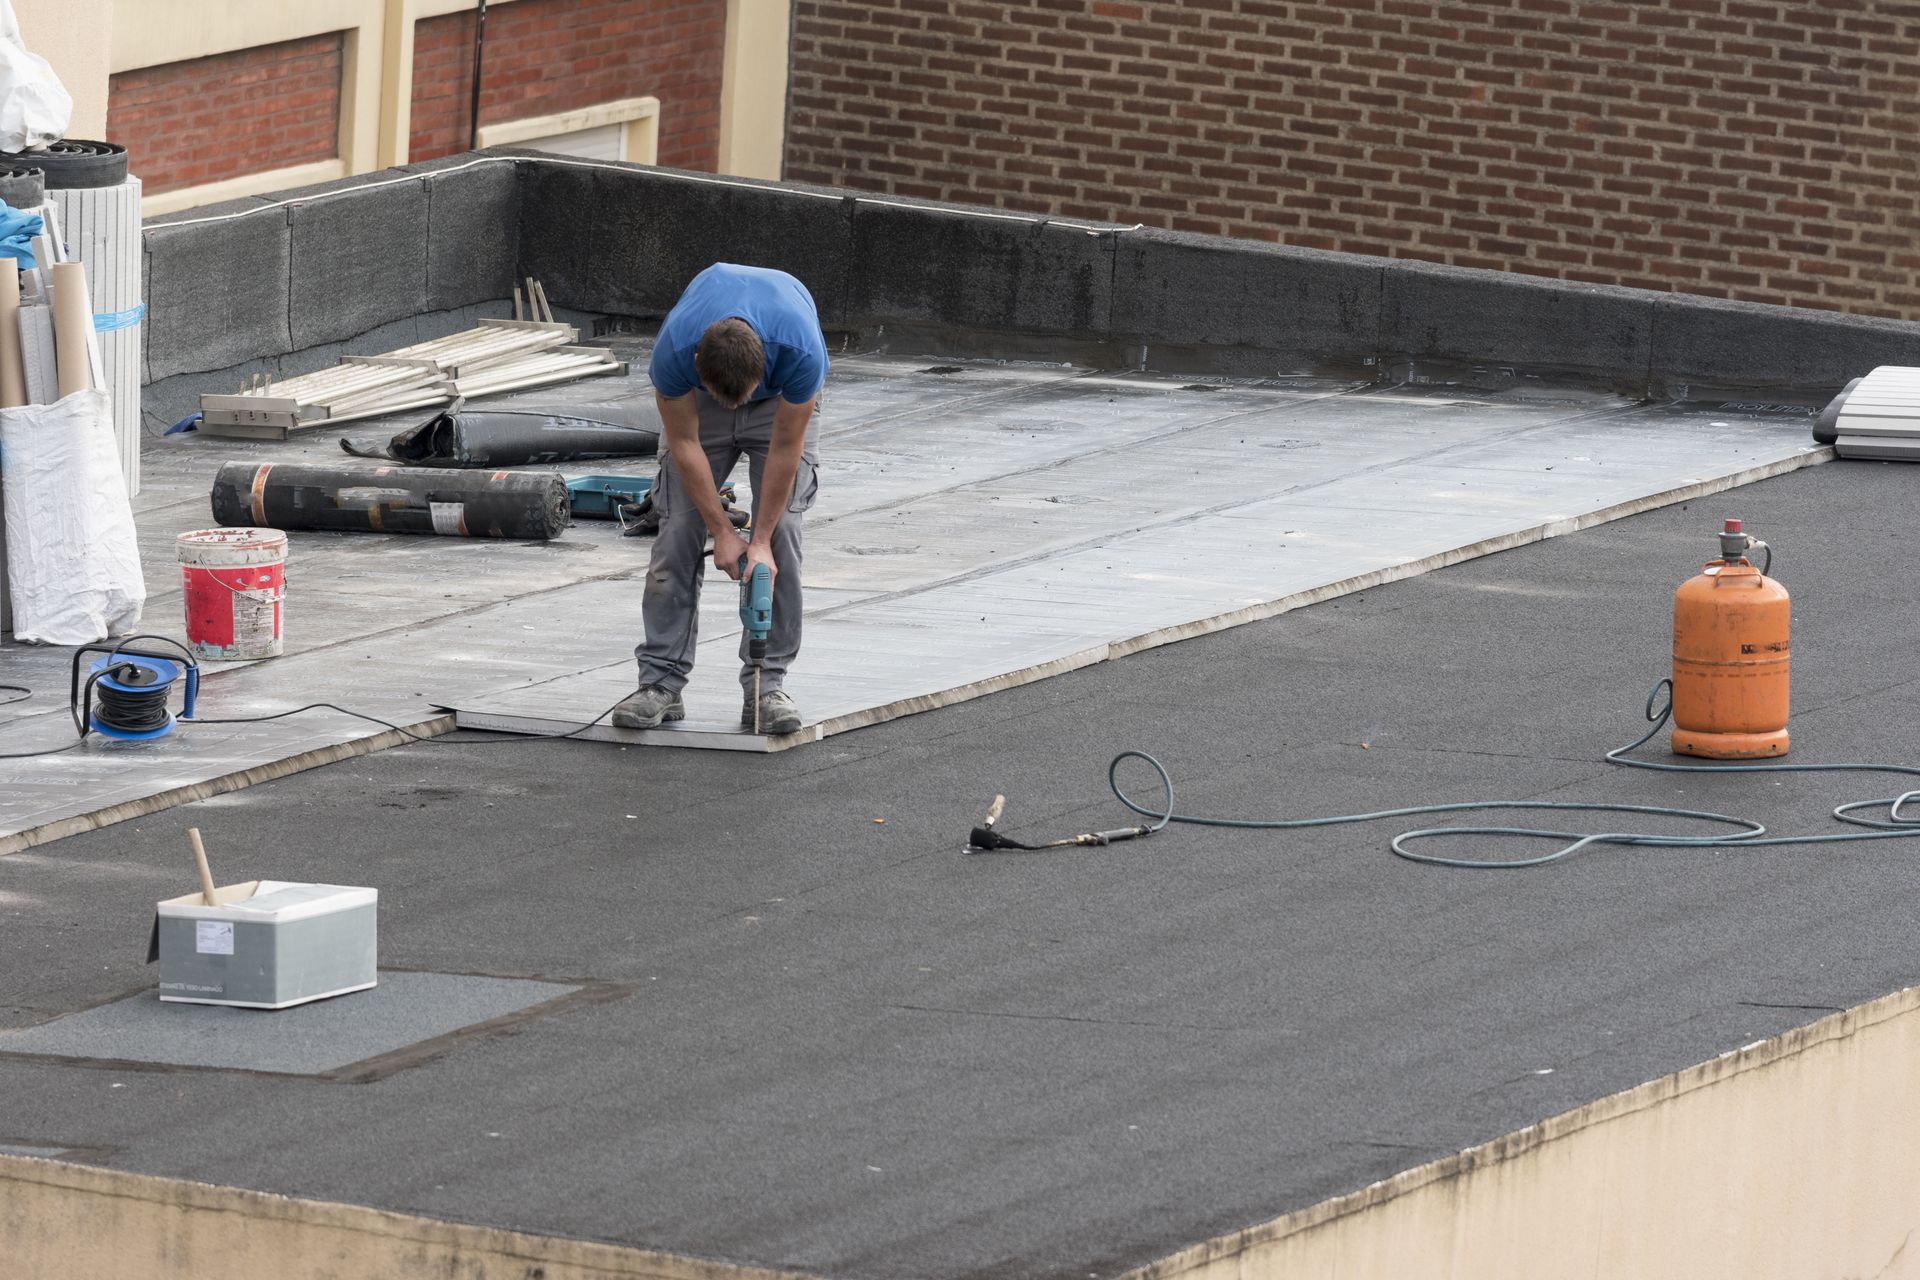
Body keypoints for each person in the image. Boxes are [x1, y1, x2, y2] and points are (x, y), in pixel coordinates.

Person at [614, 263, 827, 734]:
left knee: (783, 537)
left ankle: (765, 688)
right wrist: (723, 532)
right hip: (701, 405)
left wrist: (760, 539)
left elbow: (787, 448)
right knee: (675, 532)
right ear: (696, 367)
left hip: (777, 404)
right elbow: (685, 444)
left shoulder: (800, 352)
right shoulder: (674, 351)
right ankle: (660, 684)